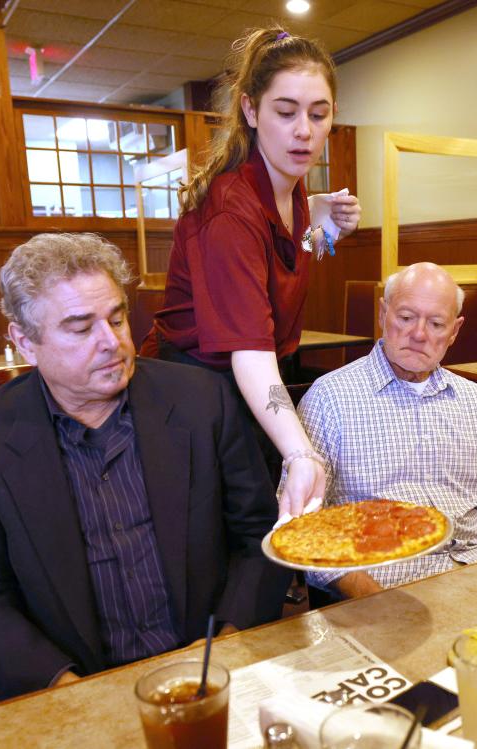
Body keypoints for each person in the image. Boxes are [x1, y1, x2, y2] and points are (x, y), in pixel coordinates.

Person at [0, 233, 290, 707]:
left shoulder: (201, 401)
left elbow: (260, 538)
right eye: (80, 329)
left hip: (206, 668)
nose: (113, 343)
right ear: (25, 342)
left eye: (117, 318)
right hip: (70, 688)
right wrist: (71, 693)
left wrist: (226, 645)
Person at [147, 26, 361, 518]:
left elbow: (287, 256)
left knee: (264, 528)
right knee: (231, 537)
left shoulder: (294, 187)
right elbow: (249, 355)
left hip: (255, 379)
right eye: (285, 113)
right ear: (250, 110)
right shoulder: (230, 209)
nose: (303, 130)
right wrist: (300, 451)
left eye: (319, 114)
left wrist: (325, 231)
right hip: (195, 388)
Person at [293, 262, 477, 599]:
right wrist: (371, 598)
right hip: (384, 588)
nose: (419, 334)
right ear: (382, 313)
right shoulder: (330, 398)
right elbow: (305, 523)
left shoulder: (472, 399)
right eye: (405, 318)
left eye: (436, 324)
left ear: (455, 331)